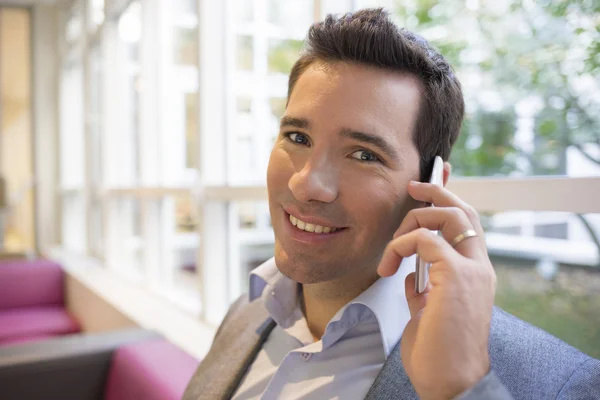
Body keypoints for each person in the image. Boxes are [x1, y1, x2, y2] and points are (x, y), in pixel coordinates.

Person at [184, 8, 600, 400]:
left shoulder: (560, 384)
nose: (306, 183)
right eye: (297, 137)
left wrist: (459, 388)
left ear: (431, 186)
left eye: (365, 155)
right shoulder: (248, 310)